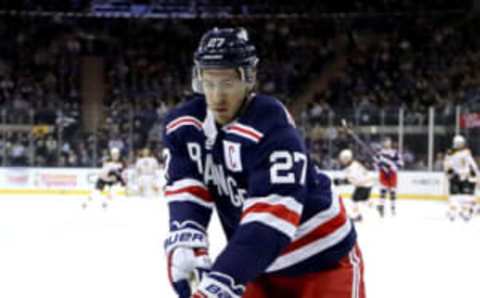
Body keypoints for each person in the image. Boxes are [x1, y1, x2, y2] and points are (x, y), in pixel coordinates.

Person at [163, 27, 365, 298]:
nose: (217, 96)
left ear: (249, 79)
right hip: (257, 266)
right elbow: (187, 185)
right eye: (209, 83)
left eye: (228, 83)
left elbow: (271, 220)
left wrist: (223, 279)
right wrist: (186, 239)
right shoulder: (185, 125)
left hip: (322, 261)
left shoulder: (271, 125)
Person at [444, 135, 479, 221]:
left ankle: (456, 211)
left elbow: (447, 165)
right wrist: (477, 173)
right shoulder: (465, 152)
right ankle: (463, 211)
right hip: (464, 176)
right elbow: (472, 164)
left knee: (456, 195)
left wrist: (448, 173)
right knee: (464, 195)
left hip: (456, 176)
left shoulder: (450, 153)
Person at [334, 149, 374, 222]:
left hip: (363, 185)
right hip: (367, 184)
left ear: (346, 159)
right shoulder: (354, 164)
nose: (342, 161)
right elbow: (350, 176)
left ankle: (357, 216)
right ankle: (373, 205)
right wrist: (341, 181)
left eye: (343, 159)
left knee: (354, 200)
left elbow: (352, 180)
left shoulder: (352, 168)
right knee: (362, 199)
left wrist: (340, 182)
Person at [375, 137, 403, 217]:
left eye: (388, 142)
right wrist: (380, 166)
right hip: (383, 173)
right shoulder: (380, 153)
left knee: (392, 191)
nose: (387, 143)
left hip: (392, 174)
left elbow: (401, 163)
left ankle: (393, 207)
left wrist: (393, 166)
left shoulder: (395, 152)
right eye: (385, 142)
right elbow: (376, 164)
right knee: (383, 190)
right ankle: (381, 207)